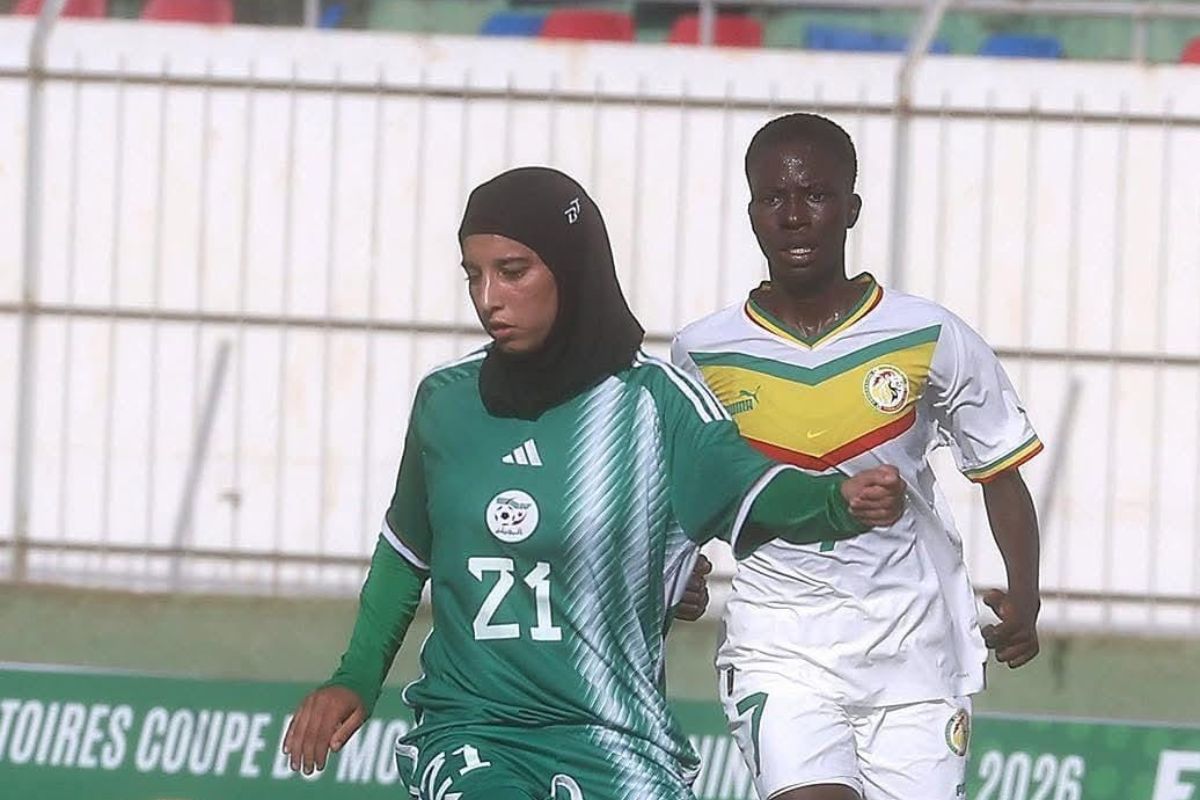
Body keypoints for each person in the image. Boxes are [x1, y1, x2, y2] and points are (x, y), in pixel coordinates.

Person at [282, 166, 906, 799]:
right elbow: (405, 551)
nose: (487, 297)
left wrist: (837, 500)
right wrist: (354, 676)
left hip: (617, 738)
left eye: (513, 270)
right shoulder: (447, 402)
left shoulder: (656, 405)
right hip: (473, 731)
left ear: (571, 267)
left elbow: (756, 491)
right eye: (474, 274)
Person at [672, 113, 1042, 800]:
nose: (793, 216)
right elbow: (686, 490)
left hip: (915, 651)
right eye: (772, 198)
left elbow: (999, 468)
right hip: (779, 647)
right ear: (750, 210)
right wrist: (678, 569)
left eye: (815, 195)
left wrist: (1026, 592)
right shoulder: (702, 351)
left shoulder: (930, 333)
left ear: (851, 208)